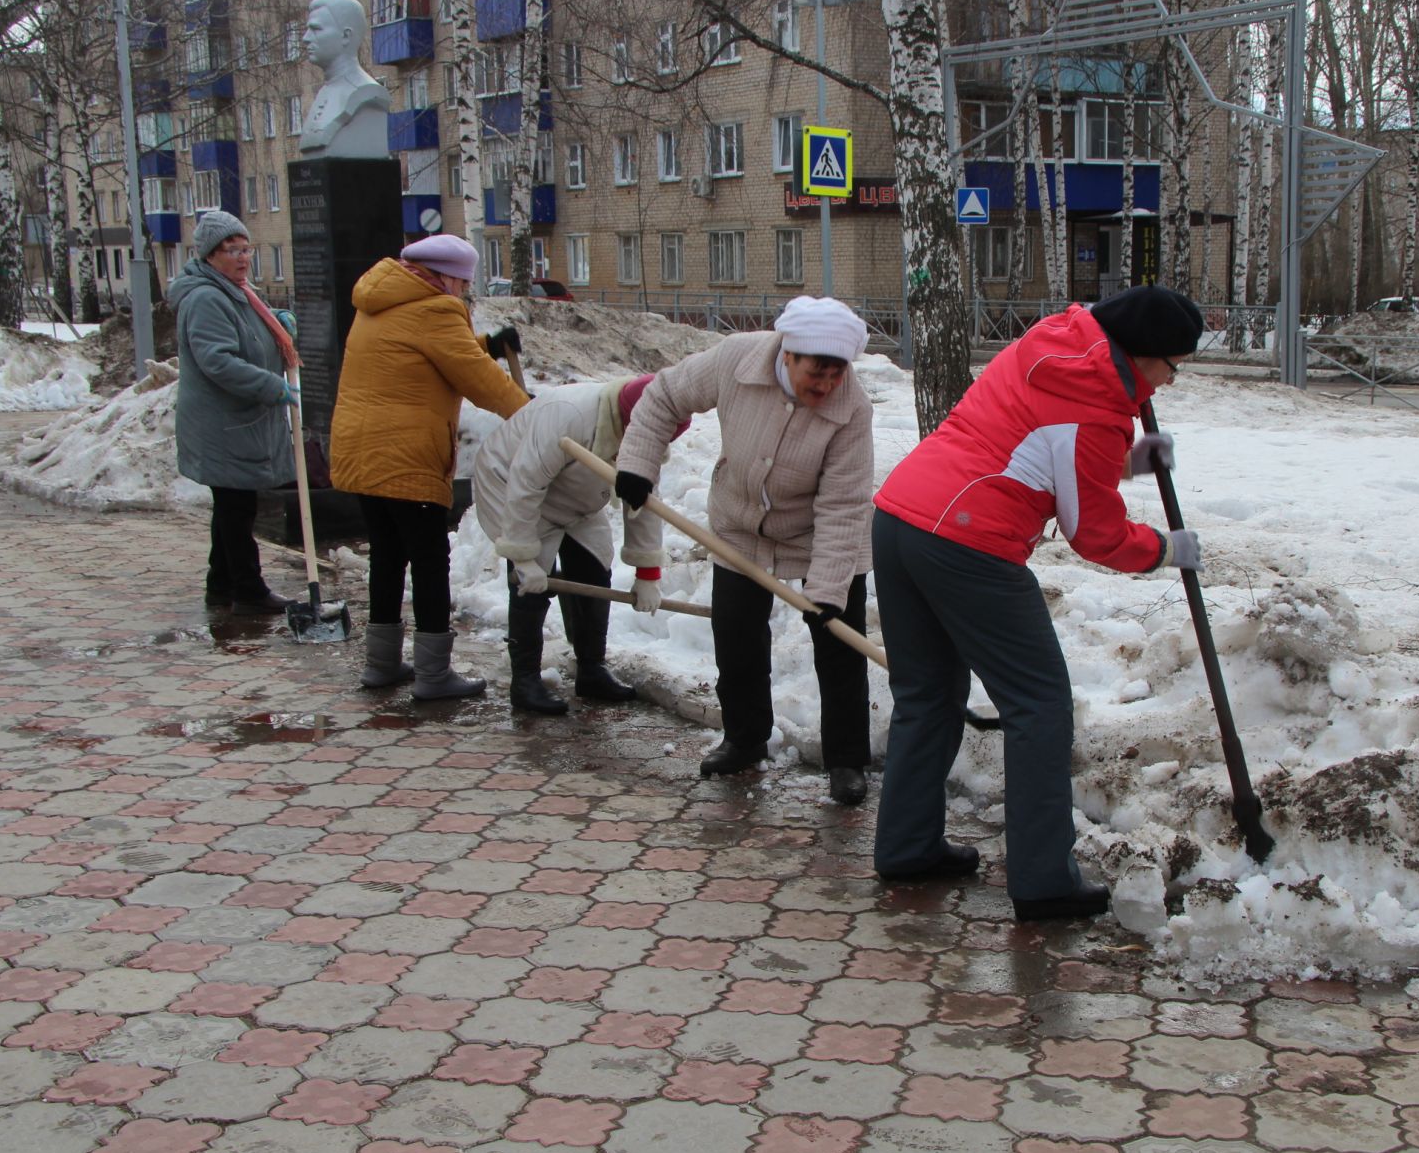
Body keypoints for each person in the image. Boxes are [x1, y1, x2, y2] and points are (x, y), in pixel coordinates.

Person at [870, 285, 1204, 922]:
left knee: (928, 695)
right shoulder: (1098, 405)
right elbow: (1095, 534)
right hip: (969, 537)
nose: (1168, 380)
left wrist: (1133, 460)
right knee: (1040, 705)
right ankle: (1044, 879)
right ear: (1142, 354)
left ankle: (908, 847)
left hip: (903, 514)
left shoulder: (1050, 349)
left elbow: (1039, 449)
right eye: (1172, 364)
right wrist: (1166, 549)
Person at [615, 296, 875, 805]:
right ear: (787, 354)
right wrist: (638, 463)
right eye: (814, 374)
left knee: (839, 647)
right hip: (738, 526)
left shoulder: (853, 410)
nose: (825, 387)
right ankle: (745, 737)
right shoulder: (736, 359)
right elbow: (665, 394)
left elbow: (844, 507)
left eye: (835, 375)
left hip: (819, 533)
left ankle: (847, 760)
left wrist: (826, 592)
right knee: (736, 637)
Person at [329, 234, 531, 699]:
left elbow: (432, 350)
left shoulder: (382, 298)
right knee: (429, 560)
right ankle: (434, 676)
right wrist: (532, 413)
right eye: (461, 283)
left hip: (364, 451)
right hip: (406, 456)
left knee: (387, 554)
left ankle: (380, 664)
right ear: (443, 276)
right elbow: (479, 383)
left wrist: (488, 344)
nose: (462, 292)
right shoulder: (435, 309)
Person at [471, 374, 687, 714]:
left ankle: (591, 669)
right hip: (511, 482)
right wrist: (522, 557)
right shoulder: (567, 414)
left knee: (593, 566)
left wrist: (648, 573)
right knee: (533, 582)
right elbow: (526, 482)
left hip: (575, 496)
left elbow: (643, 499)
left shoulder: (647, 434)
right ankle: (525, 681)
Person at [171, 210, 300, 614]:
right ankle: (248, 589)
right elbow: (218, 360)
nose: (243, 258)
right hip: (221, 423)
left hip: (233, 421)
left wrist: (275, 323)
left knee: (232, 505)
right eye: (232, 250)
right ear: (210, 255)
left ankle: (221, 583)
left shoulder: (236, 289)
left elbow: (245, 329)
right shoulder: (208, 297)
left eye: (247, 249)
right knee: (237, 506)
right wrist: (271, 386)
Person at [298, 0, 393, 159]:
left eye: (316, 29)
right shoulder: (323, 93)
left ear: (346, 36)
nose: (306, 38)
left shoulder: (367, 93)